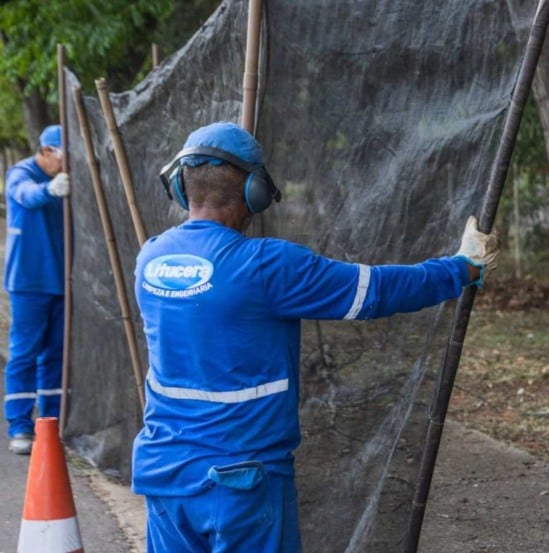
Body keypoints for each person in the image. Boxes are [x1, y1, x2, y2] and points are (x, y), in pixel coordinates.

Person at [131, 121, 498, 552]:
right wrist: (462, 268)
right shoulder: (267, 266)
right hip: (241, 482)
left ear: (178, 184)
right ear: (254, 192)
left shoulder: (150, 258)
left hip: (163, 474)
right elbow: (375, 291)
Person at [4, 124, 70, 455]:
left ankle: (51, 423)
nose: (67, 164)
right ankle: (19, 425)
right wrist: (49, 191)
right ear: (46, 152)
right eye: (63, 156)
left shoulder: (65, 181)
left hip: (59, 282)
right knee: (25, 352)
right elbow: (24, 195)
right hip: (28, 283)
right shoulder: (21, 173)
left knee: (54, 356)